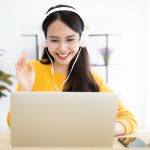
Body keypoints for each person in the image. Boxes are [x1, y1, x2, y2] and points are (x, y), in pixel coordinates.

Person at [7, 4, 137, 136]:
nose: (63, 48)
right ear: (44, 40)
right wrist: (25, 91)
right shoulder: (31, 71)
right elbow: (14, 125)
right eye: (54, 40)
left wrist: (101, 131)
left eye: (70, 39)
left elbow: (129, 119)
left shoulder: (92, 79)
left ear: (82, 40)